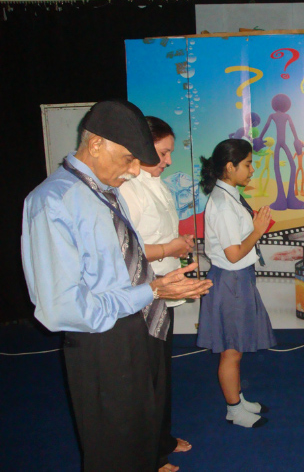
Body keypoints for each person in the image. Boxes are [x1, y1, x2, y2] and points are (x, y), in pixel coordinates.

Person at [21, 100, 213, 472]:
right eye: (128, 159)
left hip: (135, 325)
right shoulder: (52, 201)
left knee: (139, 432)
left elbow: (121, 263)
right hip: (100, 342)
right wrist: (153, 291)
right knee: (114, 448)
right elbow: (60, 308)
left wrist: (157, 289)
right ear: (96, 145)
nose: (134, 171)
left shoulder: (102, 192)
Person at [119, 116, 195, 472]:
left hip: (164, 291)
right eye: (163, 153)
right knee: (147, 379)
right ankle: (151, 455)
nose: (168, 161)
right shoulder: (127, 190)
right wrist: (169, 247)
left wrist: (178, 245)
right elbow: (123, 251)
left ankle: (161, 439)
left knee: (161, 374)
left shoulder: (155, 183)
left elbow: (159, 235)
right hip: (143, 296)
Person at [197, 138, 277, 428]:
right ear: (230, 167)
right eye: (247, 164)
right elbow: (233, 254)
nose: (252, 170)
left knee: (237, 347)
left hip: (238, 279)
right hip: (230, 281)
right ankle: (233, 410)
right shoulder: (222, 204)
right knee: (231, 351)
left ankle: (238, 399)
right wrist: (257, 230)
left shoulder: (228, 195)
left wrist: (254, 229)